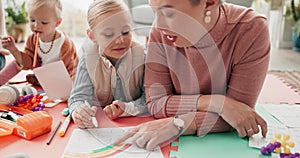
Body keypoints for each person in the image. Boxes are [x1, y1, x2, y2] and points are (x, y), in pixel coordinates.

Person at [115, 0, 270, 151]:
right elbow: (156, 102)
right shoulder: (160, 31)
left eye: (169, 13)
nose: (159, 25)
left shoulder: (250, 28)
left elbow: (240, 115)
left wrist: (181, 123)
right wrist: (218, 103)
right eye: (155, 11)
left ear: (209, 3)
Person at [68, 0, 148, 128]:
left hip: (135, 124)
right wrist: (79, 111)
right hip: (101, 126)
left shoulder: (143, 57)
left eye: (126, 32)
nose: (120, 40)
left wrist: (127, 108)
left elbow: (150, 100)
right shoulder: (88, 58)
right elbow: (77, 97)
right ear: (92, 36)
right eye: (109, 34)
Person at [0, 0, 78, 86]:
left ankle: (42, 82)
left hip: (62, 79)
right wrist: (13, 50)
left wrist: (69, 89)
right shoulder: (32, 39)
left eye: (44, 23)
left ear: (57, 23)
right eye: (32, 20)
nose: (36, 26)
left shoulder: (65, 44)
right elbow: (28, 62)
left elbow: (71, 70)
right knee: (16, 62)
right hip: (43, 75)